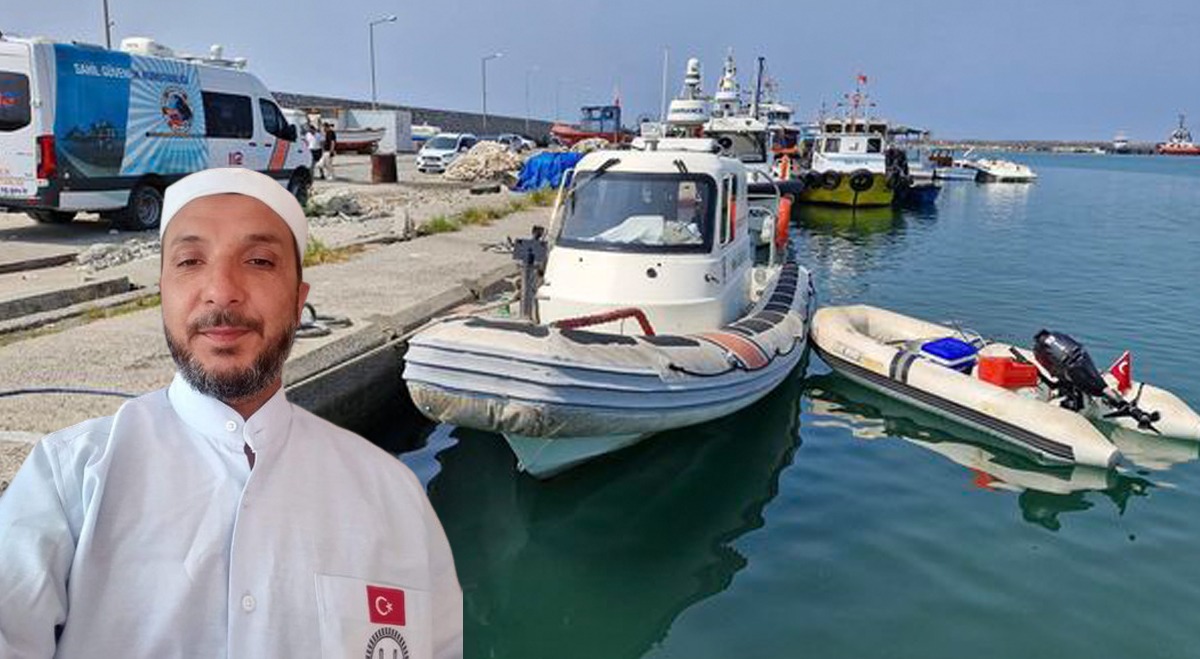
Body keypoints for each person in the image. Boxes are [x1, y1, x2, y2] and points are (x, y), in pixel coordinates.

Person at [0, 168, 463, 658]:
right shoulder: (69, 480)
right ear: (163, 294)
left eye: (259, 261)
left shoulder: (392, 496)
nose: (222, 291)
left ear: (298, 300)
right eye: (190, 261)